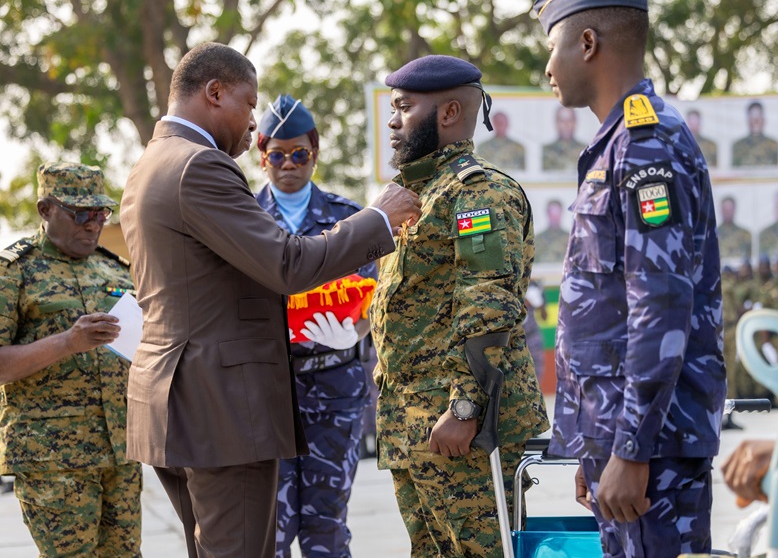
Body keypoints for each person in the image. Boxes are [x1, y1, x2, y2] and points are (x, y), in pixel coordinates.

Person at [119, 42, 421, 558]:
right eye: (248, 103)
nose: (252, 118)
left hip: (181, 402)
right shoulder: (200, 167)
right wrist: (377, 218)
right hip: (221, 409)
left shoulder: (152, 162)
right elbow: (287, 265)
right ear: (214, 93)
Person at [534, 0, 725, 557]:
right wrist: (599, 445)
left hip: (653, 451)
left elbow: (660, 307)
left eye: (552, 48)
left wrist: (631, 451)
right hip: (625, 443)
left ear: (586, 43)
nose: (547, 68)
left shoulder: (646, 144)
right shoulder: (619, 142)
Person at [370, 53, 549, 556]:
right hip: (415, 427)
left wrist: (466, 406)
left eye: (404, 107)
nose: (392, 120)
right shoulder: (417, 194)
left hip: (459, 430)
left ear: (448, 114)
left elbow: (487, 304)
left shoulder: (477, 194)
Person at [254, 93, 376, 557]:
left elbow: (374, 299)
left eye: (299, 153)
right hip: (267, 388)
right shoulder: (241, 217)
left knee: (326, 526)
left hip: (335, 383)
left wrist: (356, 332)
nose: (289, 164)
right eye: (278, 154)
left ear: (315, 154)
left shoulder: (348, 218)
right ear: (262, 156)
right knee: (274, 530)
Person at [0, 161, 141, 556]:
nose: (93, 224)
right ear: (46, 210)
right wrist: (67, 342)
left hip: (122, 449)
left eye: (100, 213)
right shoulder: (13, 272)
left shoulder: (115, 270)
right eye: (81, 214)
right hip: (52, 458)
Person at [731, 101, 778, 167]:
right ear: (748, 120)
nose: (756, 121)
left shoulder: (774, 145)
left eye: (758, 116)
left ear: (763, 119)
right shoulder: (738, 146)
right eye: (752, 117)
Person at [541, 106, 587, 171]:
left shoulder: (586, 150)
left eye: (569, 120)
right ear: (556, 123)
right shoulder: (545, 150)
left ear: (575, 122)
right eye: (562, 121)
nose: (566, 124)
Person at [523, 279, 548, 384]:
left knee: (537, 368)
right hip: (514, 336)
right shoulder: (511, 283)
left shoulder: (532, 285)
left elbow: (544, 317)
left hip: (532, 335)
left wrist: (539, 301)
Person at [535, 199, 570, 264]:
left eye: (557, 213)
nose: (555, 217)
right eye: (552, 213)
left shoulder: (570, 239)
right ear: (547, 214)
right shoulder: (538, 239)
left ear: (561, 214)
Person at [718, 195, 752, 261]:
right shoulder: (714, 234)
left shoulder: (745, 234)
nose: (727, 212)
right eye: (725, 209)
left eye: (730, 209)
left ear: (734, 210)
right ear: (721, 210)